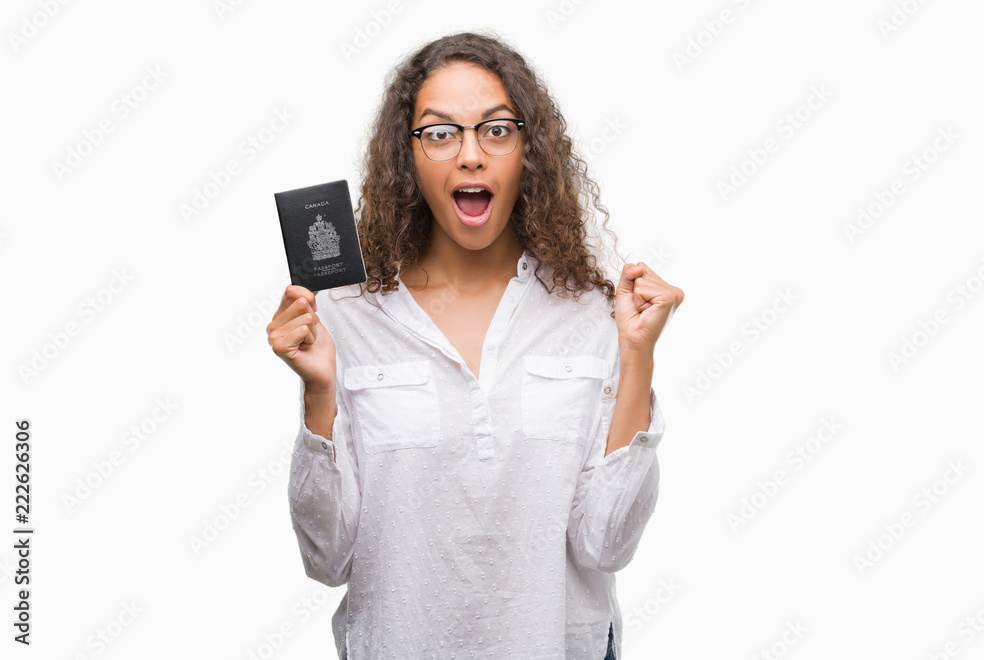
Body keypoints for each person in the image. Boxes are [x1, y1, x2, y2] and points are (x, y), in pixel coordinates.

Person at [266, 30, 684, 659]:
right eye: (439, 132)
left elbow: (606, 545)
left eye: (495, 129)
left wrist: (636, 358)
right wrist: (318, 391)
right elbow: (329, 558)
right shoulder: (345, 316)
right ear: (407, 158)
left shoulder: (595, 314)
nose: (469, 155)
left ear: (528, 151)